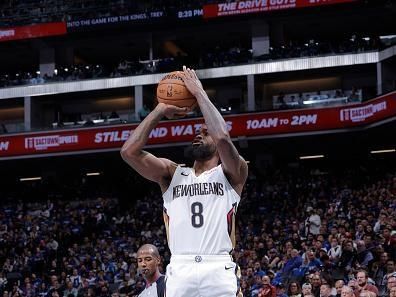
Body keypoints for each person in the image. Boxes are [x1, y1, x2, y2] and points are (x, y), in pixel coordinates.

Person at [121, 66, 248, 297]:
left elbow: (221, 136)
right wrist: (159, 110)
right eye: (197, 132)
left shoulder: (232, 172)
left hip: (217, 265)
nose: (199, 134)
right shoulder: (172, 173)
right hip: (180, 266)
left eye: (204, 131)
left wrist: (199, 93)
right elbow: (128, 152)